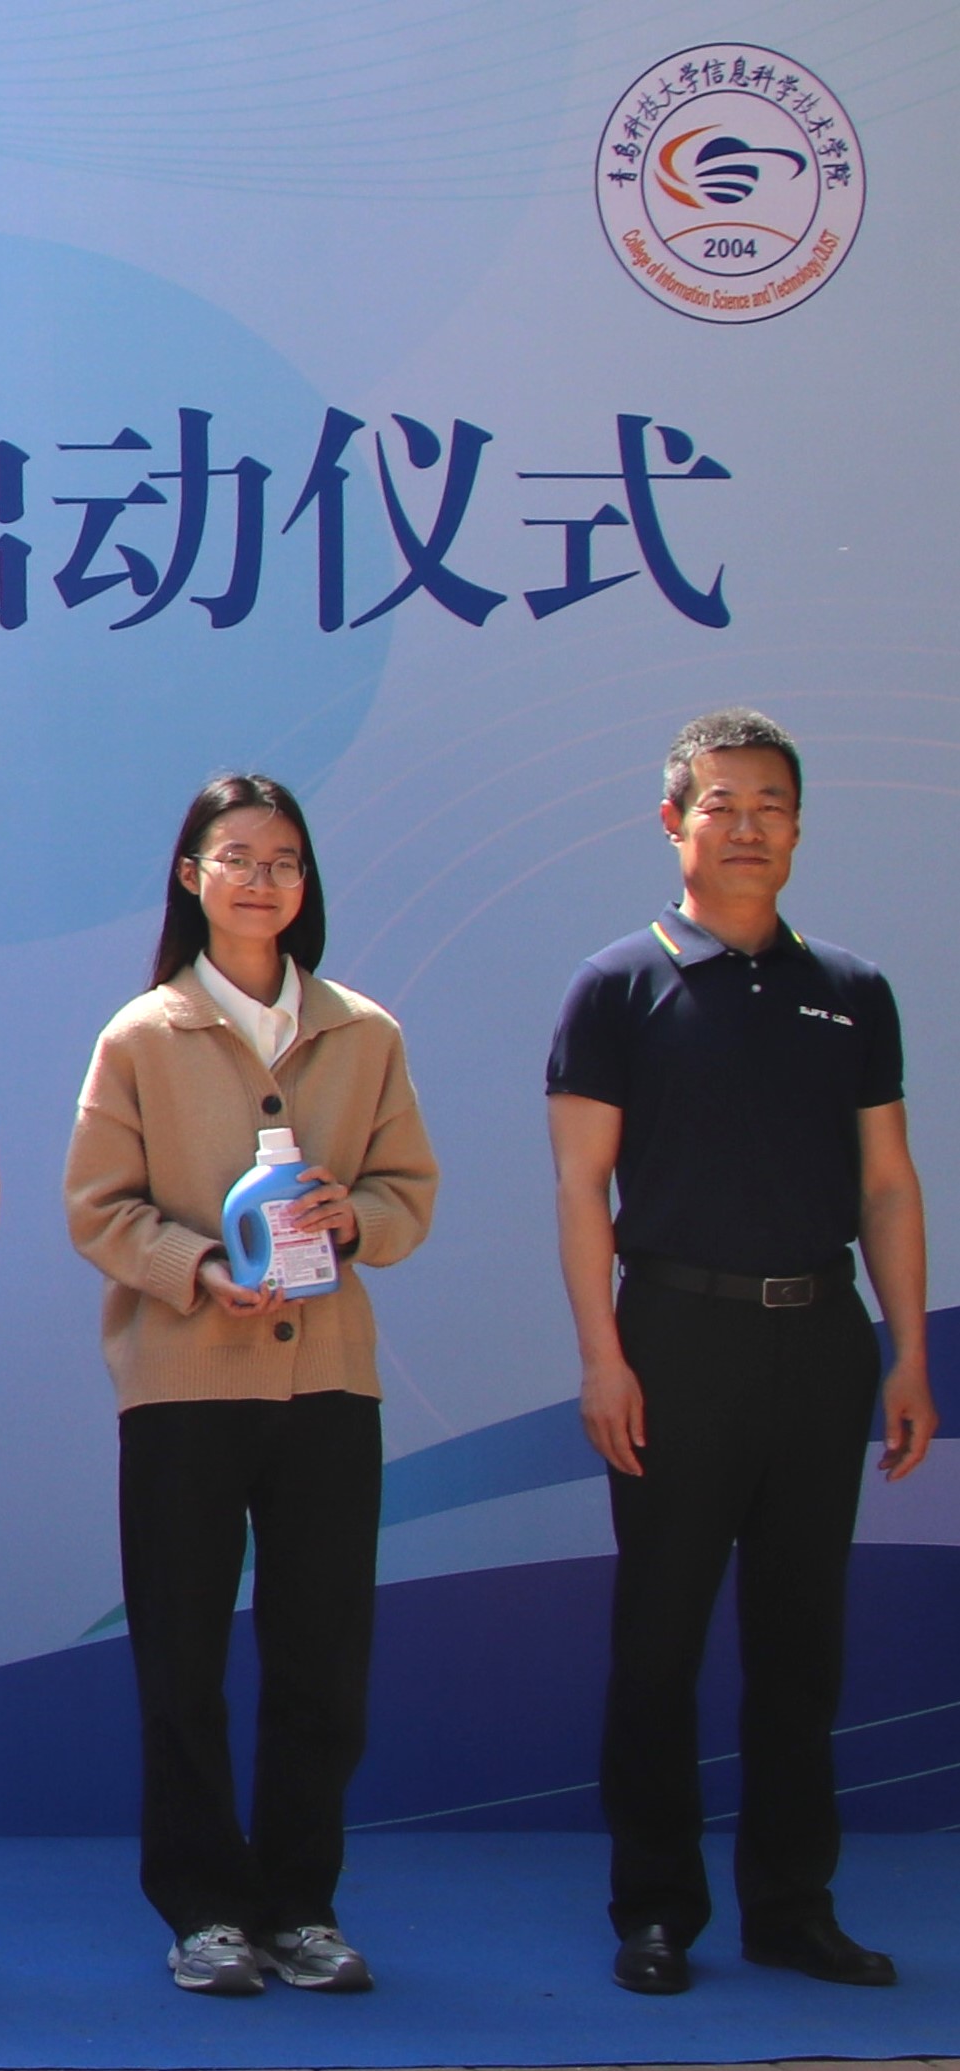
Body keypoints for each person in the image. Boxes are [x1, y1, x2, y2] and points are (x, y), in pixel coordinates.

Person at [552, 708, 929, 1995]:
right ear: (674, 822)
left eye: (771, 804)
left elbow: (887, 1183)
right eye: (722, 803)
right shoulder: (619, 985)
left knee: (799, 1644)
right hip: (673, 1337)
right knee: (658, 1642)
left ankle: (791, 1906)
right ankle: (656, 1908)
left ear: (798, 827)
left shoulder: (852, 991)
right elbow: (579, 1187)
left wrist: (905, 1353)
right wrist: (602, 1357)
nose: (748, 825)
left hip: (818, 1338)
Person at [63, 773, 437, 1995]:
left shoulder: (362, 1032)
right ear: (192, 877)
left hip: (327, 1385)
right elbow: (97, 1209)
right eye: (236, 857)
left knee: (321, 1657)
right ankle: (202, 1909)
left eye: (283, 860)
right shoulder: (141, 1034)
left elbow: (409, 1190)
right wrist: (196, 1267)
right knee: (180, 1659)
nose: (261, 879)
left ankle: (300, 1905)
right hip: (183, 1381)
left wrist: (355, 1215)